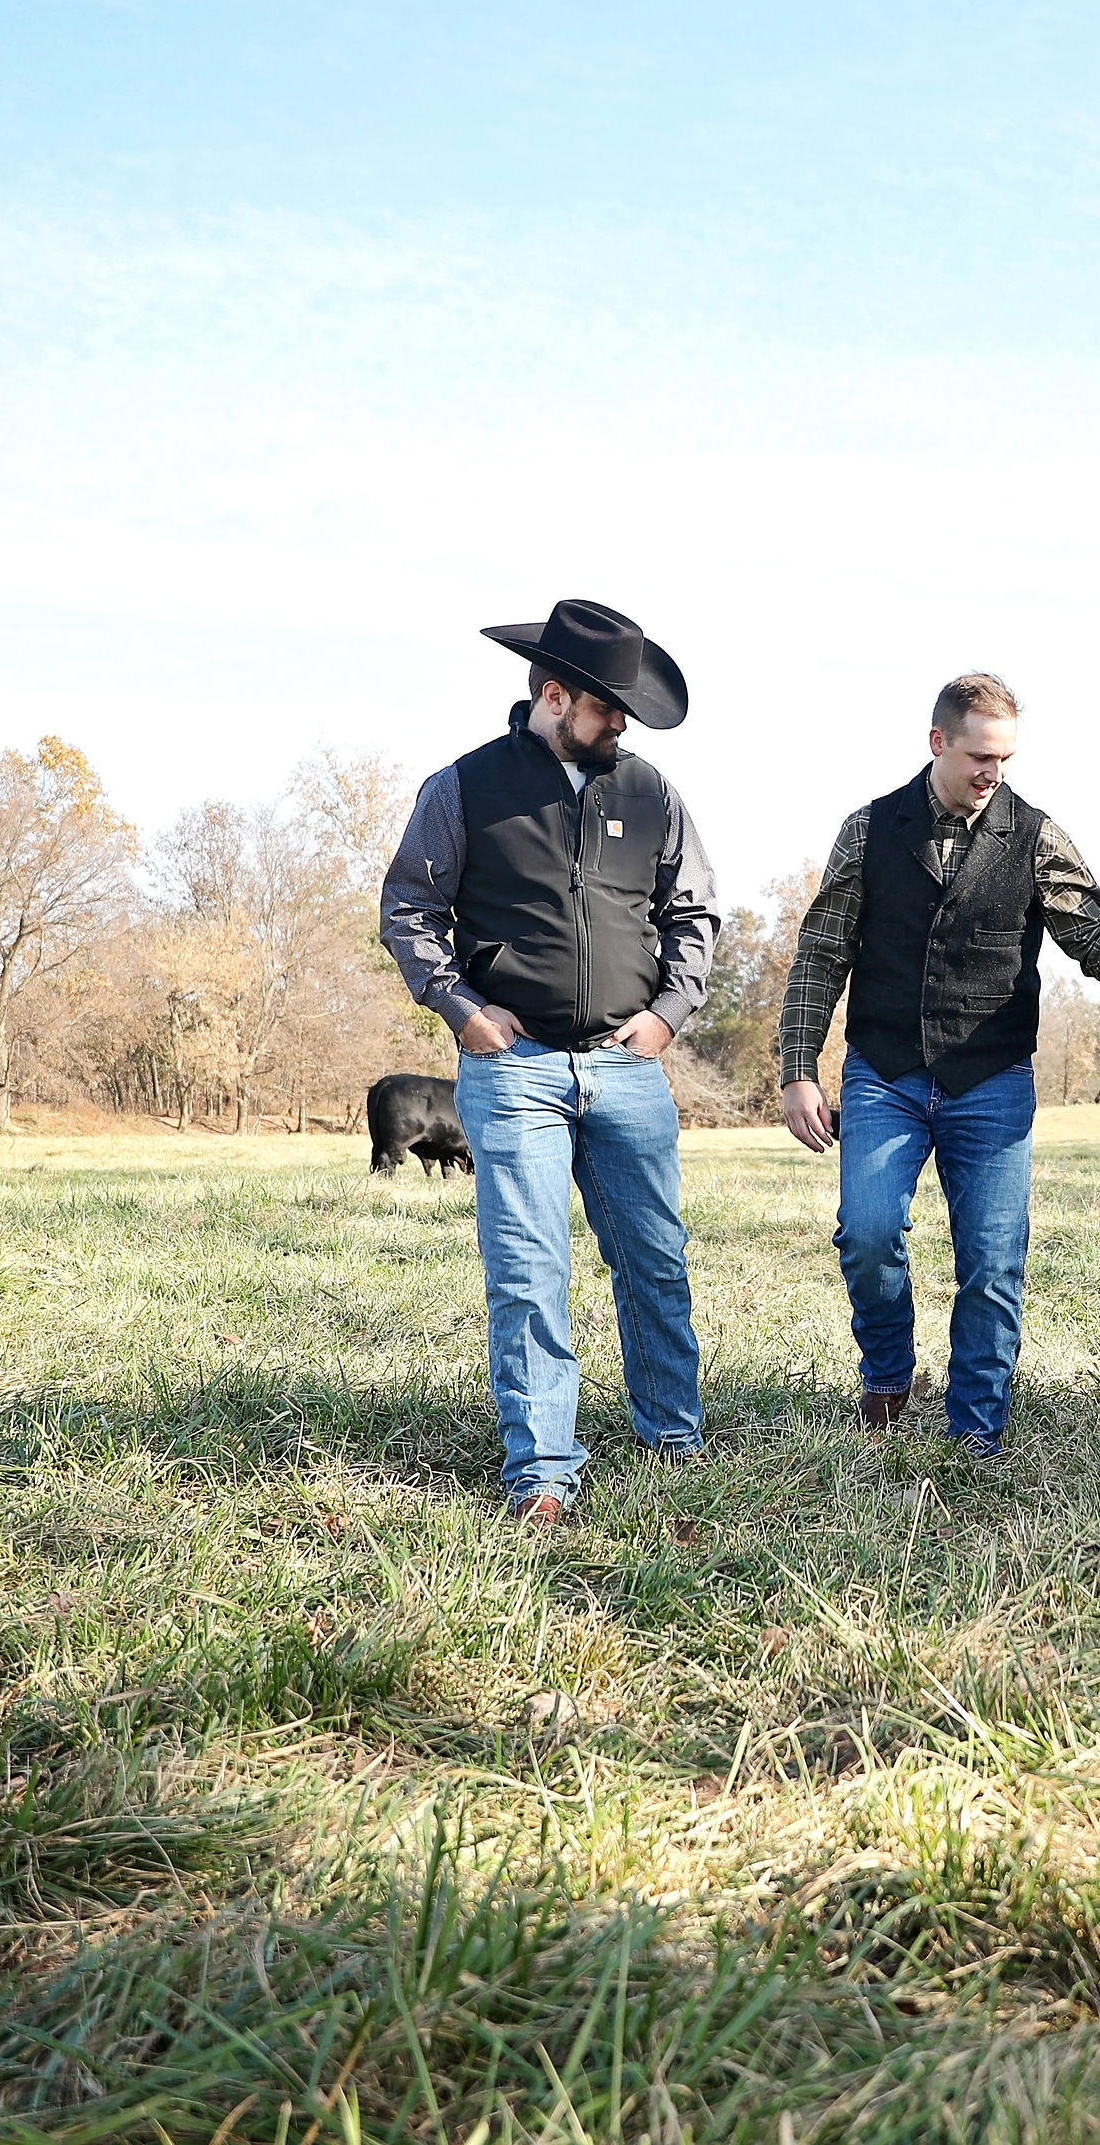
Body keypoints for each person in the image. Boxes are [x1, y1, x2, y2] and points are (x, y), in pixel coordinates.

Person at [380, 600, 718, 1527]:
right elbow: (410, 907)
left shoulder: (652, 793)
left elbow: (694, 915)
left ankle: (673, 1436)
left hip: (627, 1068)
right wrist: (461, 1007)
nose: (622, 726)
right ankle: (543, 1472)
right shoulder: (464, 788)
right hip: (515, 1066)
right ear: (554, 694)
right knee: (527, 1270)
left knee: (653, 1259)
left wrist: (668, 1015)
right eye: (609, 709)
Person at [778, 673, 1100, 1456]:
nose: (995, 773)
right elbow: (822, 953)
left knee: (992, 1261)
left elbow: (1088, 932)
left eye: (1007, 758)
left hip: (990, 1080)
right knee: (867, 1231)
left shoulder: (1036, 834)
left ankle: (977, 1428)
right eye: (982, 757)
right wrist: (798, 1067)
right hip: (884, 1071)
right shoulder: (868, 829)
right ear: (938, 743)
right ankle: (888, 1376)